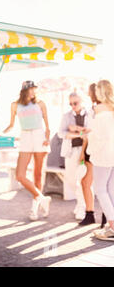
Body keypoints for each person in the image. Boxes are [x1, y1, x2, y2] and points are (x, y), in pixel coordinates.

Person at [3, 81, 52, 221]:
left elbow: (48, 126)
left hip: (39, 136)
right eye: (30, 89)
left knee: (37, 174)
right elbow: (11, 125)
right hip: (25, 136)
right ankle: (43, 199)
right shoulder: (15, 105)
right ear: (24, 90)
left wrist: (47, 138)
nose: (33, 91)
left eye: (34, 89)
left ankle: (34, 209)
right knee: (20, 175)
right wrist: (0, 133)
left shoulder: (41, 103)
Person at [85, 80, 114, 241]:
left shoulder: (99, 109)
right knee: (111, 189)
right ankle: (111, 226)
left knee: (100, 189)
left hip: (103, 155)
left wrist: (89, 139)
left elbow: (99, 136)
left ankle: (113, 227)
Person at [58, 92, 93, 224]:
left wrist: (75, 129)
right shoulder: (66, 116)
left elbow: (91, 132)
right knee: (71, 180)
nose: (73, 106)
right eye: (70, 103)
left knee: (85, 181)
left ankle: (82, 206)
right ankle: (80, 203)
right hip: (71, 151)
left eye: (75, 103)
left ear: (82, 101)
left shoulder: (90, 114)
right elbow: (61, 133)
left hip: (87, 152)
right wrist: (80, 133)